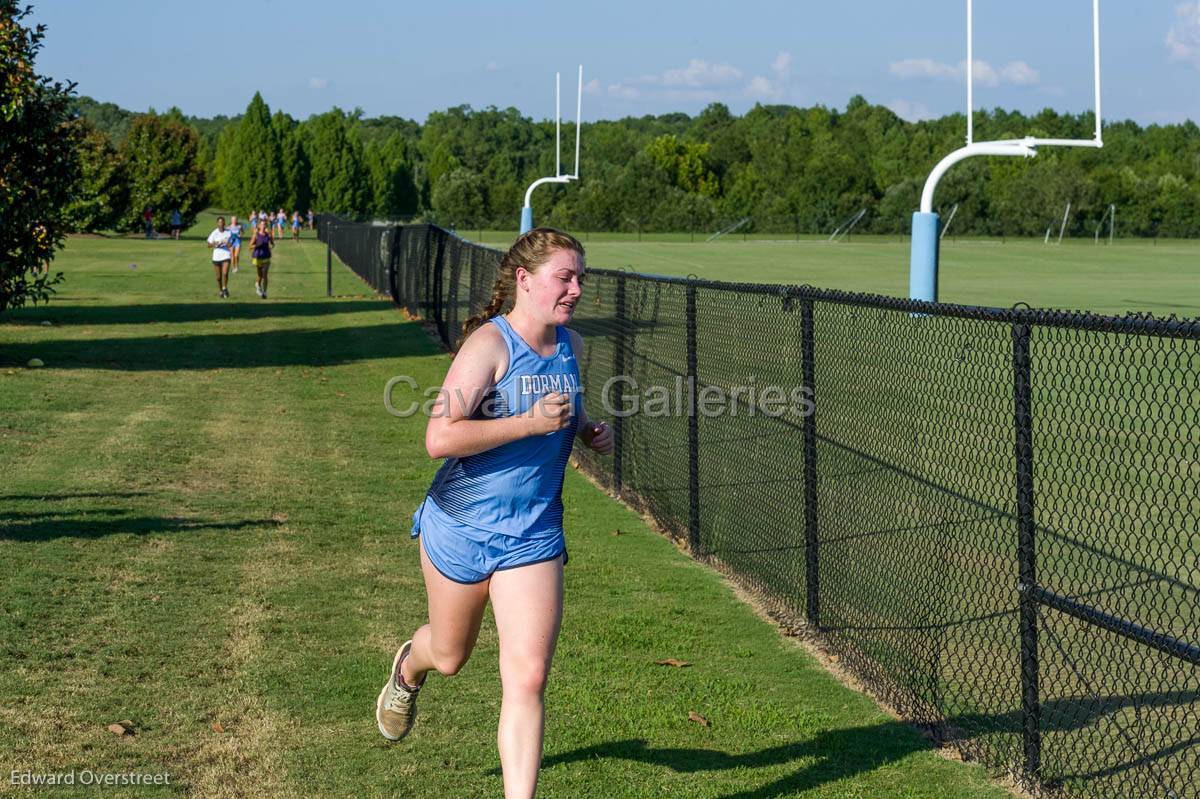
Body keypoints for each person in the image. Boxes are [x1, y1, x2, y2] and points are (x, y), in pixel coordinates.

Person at [375, 228, 613, 799]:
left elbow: (561, 408)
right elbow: (439, 438)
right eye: (566, 276)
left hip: (533, 534)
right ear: (524, 281)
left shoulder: (572, 346)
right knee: (450, 656)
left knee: (528, 676)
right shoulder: (489, 345)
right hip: (460, 526)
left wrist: (585, 429)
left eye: (581, 277)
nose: (577, 288)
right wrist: (530, 423)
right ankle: (410, 666)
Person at [206, 216, 233, 298]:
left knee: (225, 273)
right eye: (219, 222)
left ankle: (225, 288)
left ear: (224, 223)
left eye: (222, 222)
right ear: (217, 223)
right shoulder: (214, 233)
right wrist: (215, 244)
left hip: (226, 255)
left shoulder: (229, 232)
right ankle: (221, 290)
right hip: (217, 256)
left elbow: (230, 244)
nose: (221, 224)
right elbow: (208, 244)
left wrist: (226, 242)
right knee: (218, 277)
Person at [250, 218, 274, 299]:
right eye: (262, 225)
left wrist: (271, 246)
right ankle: (257, 285)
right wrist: (257, 245)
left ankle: (265, 292)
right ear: (259, 226)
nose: (263, 226)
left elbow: (272, 244)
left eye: (264, 225)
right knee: (260, 275)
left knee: (265, 275)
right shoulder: (256, 235)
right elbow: (250, 246)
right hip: (258, 257)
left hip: (266, 256)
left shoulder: (268, 235)